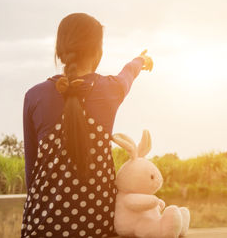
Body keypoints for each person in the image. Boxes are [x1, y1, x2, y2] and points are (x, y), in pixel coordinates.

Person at [20, 13, 153, 238]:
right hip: (96, 225)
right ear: (98, 52)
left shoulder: (34, 96)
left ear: (60, 50)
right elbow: (128, 73)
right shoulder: (111, 90)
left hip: (41, 225)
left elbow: (31, 171)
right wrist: (140, 60)